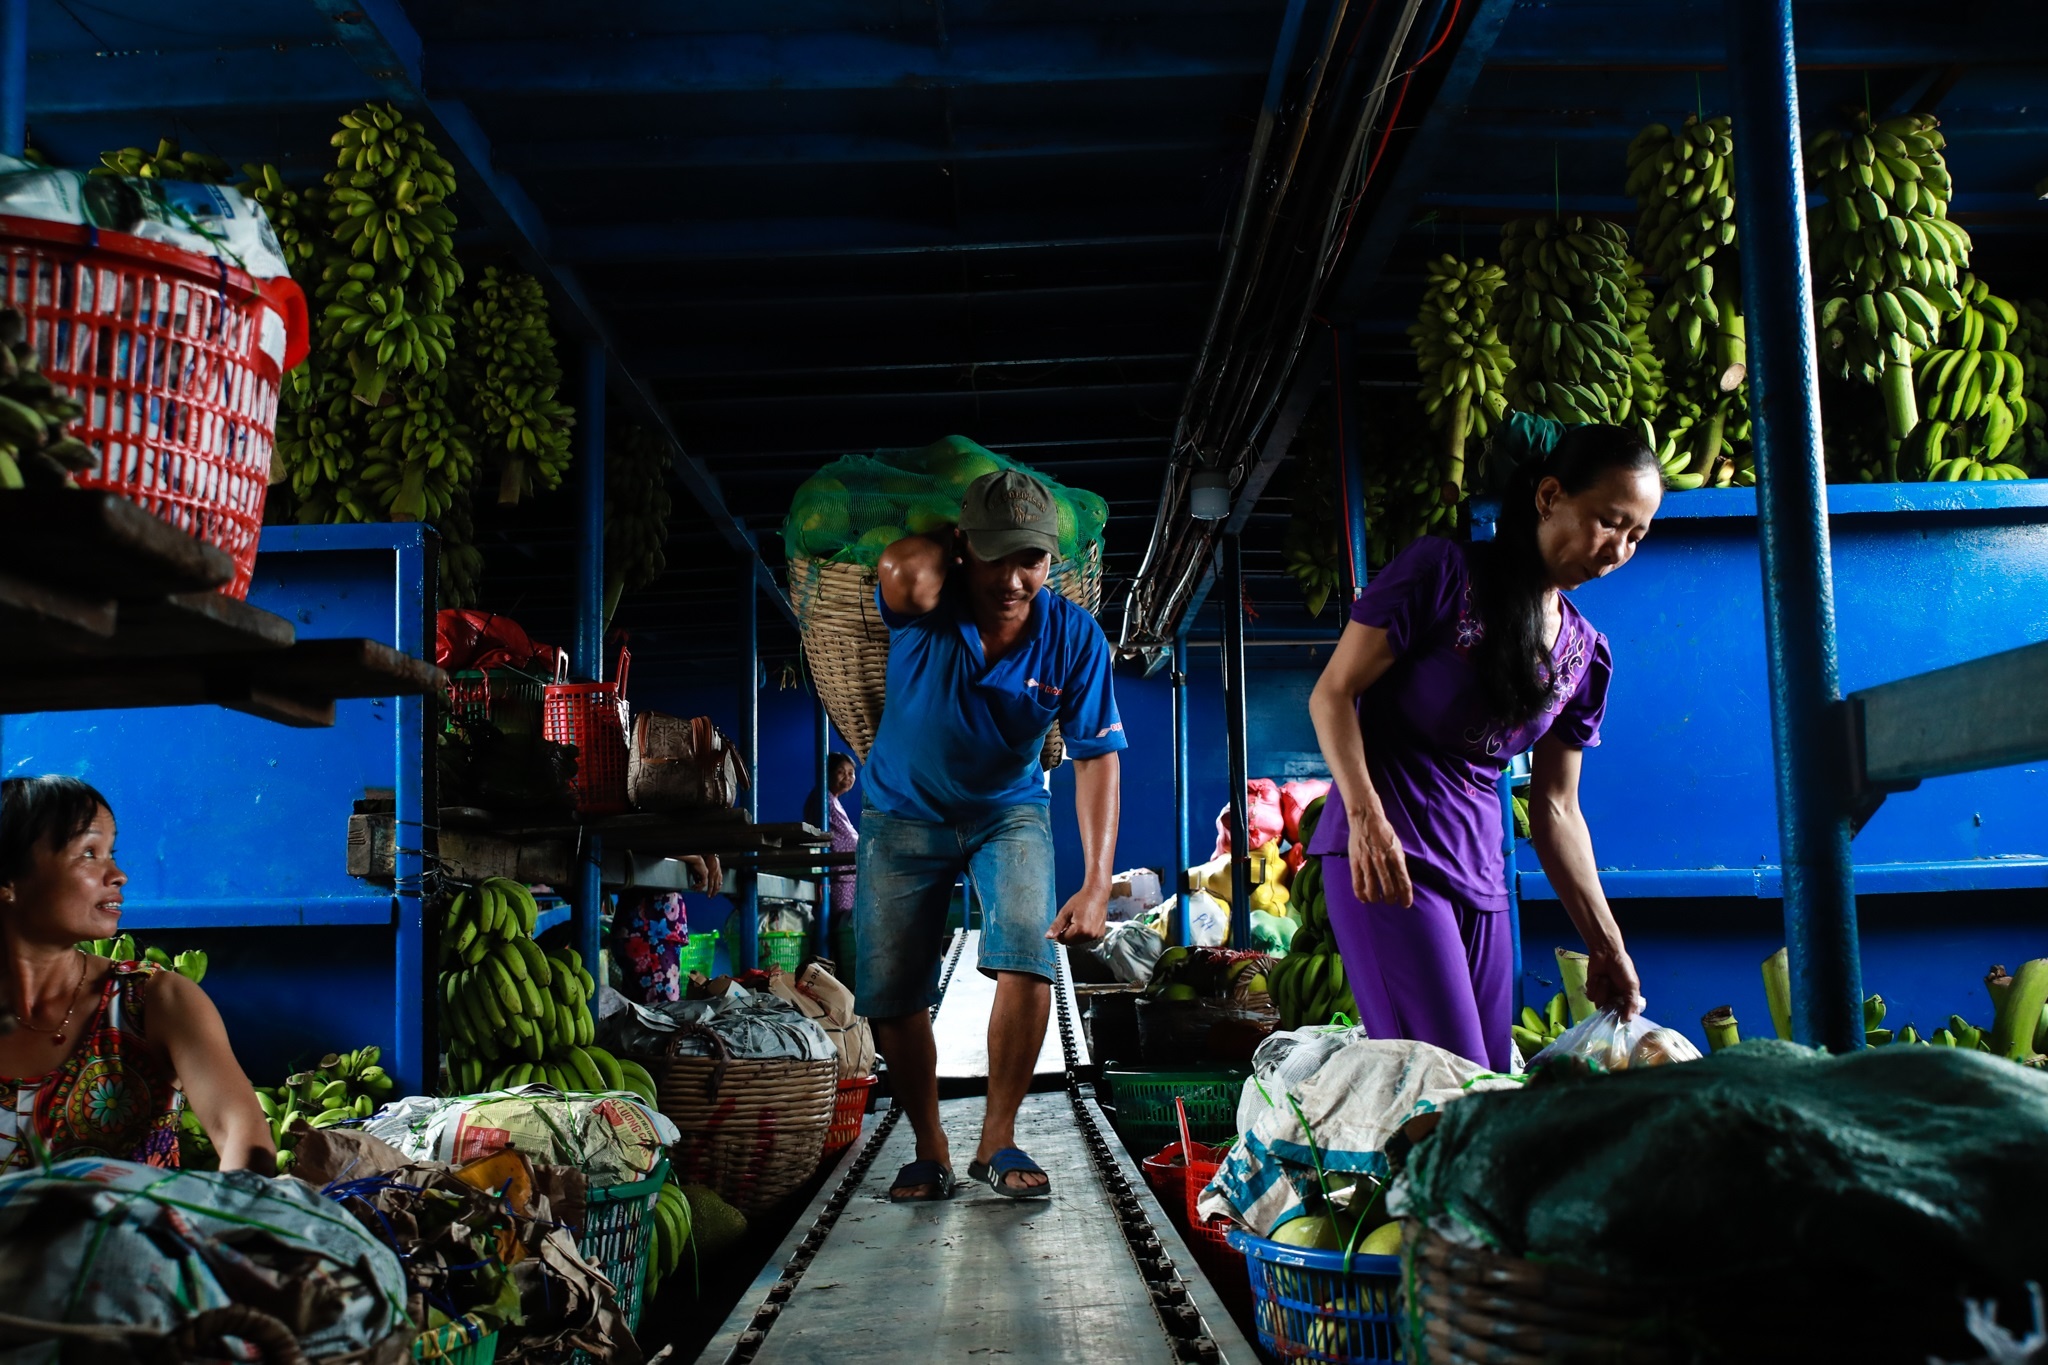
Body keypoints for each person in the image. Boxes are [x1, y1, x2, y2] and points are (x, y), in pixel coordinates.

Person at [1305, 421, 1662, 1072]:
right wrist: (1363, 816)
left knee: (1489, 1082)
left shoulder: (1585, 654)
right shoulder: (1441, 573)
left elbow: (1556, 810)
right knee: (1446, 1091)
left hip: (1482, 878)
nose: (1617, 550)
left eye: (1636, 535)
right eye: (1609, 521)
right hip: (1389, 860)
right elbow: (1332, 693)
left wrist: (1607, 944)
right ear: (1550, 496)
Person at [859, 469, 1124, 1201]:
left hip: (1009, 810)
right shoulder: (925, 606)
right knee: (893, 993)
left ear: (1049, 560)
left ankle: (997, 1138)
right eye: (995, 555)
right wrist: (945, 547)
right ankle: (929, 1145)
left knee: (1029, 955)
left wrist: (1097, 881)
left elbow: (1098, 755)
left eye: (1030, 558)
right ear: (961, 549)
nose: (1013, 578)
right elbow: (900, 569)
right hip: (900, 810)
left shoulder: (1074, 637)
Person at [0, 776, 275, 1172]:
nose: (117, 874)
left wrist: (225, 1218)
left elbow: (243, 1137)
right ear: (7, 879)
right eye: (89, 853)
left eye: (111, 852)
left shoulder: (152, 1001)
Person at [805, 753, 860, 972]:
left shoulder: (831, 800)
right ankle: (836, 979)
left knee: (841, 931)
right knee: (837, 933)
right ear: (828, 773)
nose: (848, 777)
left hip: (845, 876)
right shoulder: (822, 799)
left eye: (851, 773)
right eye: (841, 772)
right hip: (836, 877)